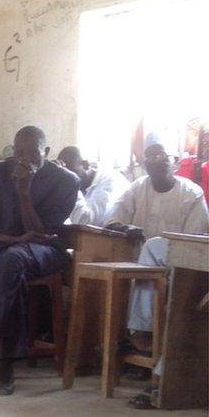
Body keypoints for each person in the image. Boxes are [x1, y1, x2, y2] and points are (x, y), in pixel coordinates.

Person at [0, 126, 79, 395]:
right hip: (0, 247)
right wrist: (12, 240)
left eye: (32, 153)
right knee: (10, 264)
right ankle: (5, 361)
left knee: (12, 262)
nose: (24, 159)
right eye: (19, 152)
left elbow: (41, 232)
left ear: (47, 152)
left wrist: (24, 192)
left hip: (45, 250)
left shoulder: (66, 180)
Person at [106, 142, 208, 369]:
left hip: (182, 265)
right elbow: (114, 217)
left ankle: (141, 333)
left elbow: (194, 242)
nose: (156, 161)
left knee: (151, 253)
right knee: (140, 269)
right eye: (150, 157)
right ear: (144, 165)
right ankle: (138, 343)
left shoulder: (190, 193)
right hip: (139, 262)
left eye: (162, 156)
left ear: (174, 162)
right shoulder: (137, 188)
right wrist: (125, 228)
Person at [56, 146, 129, 226]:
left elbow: (87, 223)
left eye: (71, 172)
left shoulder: (110, 181)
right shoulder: (83, 184)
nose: (69, 177)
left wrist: (69, 186)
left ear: (85, 165)